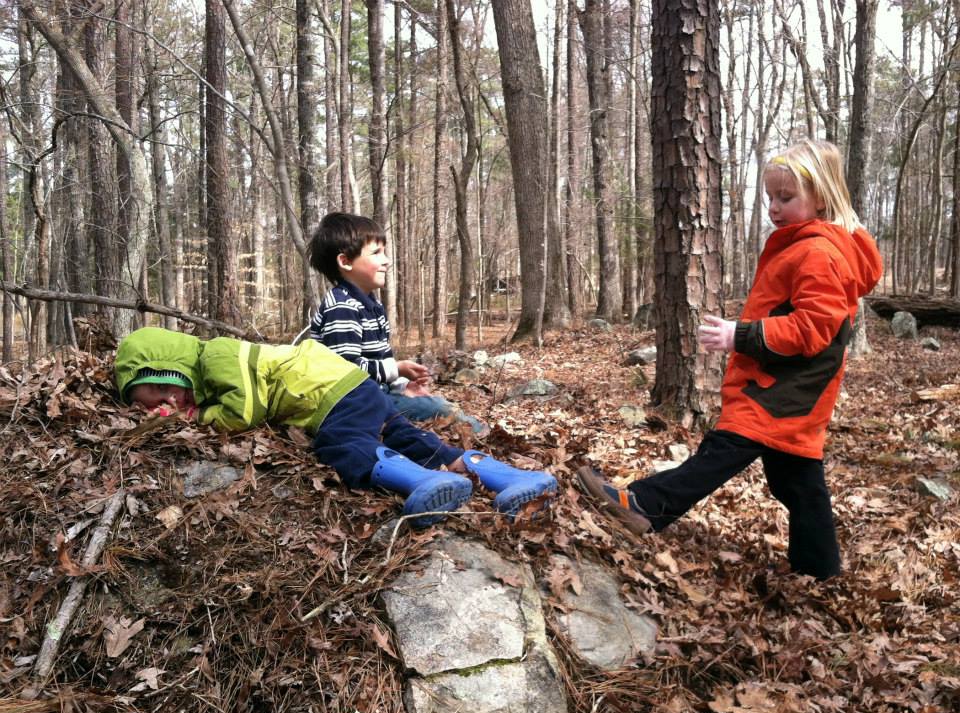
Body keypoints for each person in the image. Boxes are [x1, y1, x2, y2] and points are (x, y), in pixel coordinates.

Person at [577, 139, 882, 580]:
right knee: (796, 480)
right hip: (782, 386)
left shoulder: (820, 253)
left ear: (820, 197)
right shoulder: (800, 243)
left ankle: (643, 505)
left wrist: (740, 335)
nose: (774, 208)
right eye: (770, 199)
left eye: (786, 198)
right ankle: (819, 568)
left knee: (722, 451)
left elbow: (815, 328)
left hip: (784, 391)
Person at [115, 327, 556, 526]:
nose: (170, 404)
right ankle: (511, 479)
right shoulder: (206, 375)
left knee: (340, 445)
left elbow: (245, 410)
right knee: (416, 439)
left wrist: (199, 418)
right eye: (154, 408)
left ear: (165, 369)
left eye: (160, 394)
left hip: (329, 395)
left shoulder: (216, 355)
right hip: (353, 388)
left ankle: (420, 485)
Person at [307, 211, 487, 435]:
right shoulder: (342, 306)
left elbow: (379, 361)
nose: (387, 260)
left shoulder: (370, 304)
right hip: (349, 405)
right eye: (376, 253)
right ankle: (480, 433)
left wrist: (401, 385)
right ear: (345, 262)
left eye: (384, 252)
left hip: (374, 396)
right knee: (439, 408)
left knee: (431, 401)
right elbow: (346, 371)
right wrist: (396, 369)